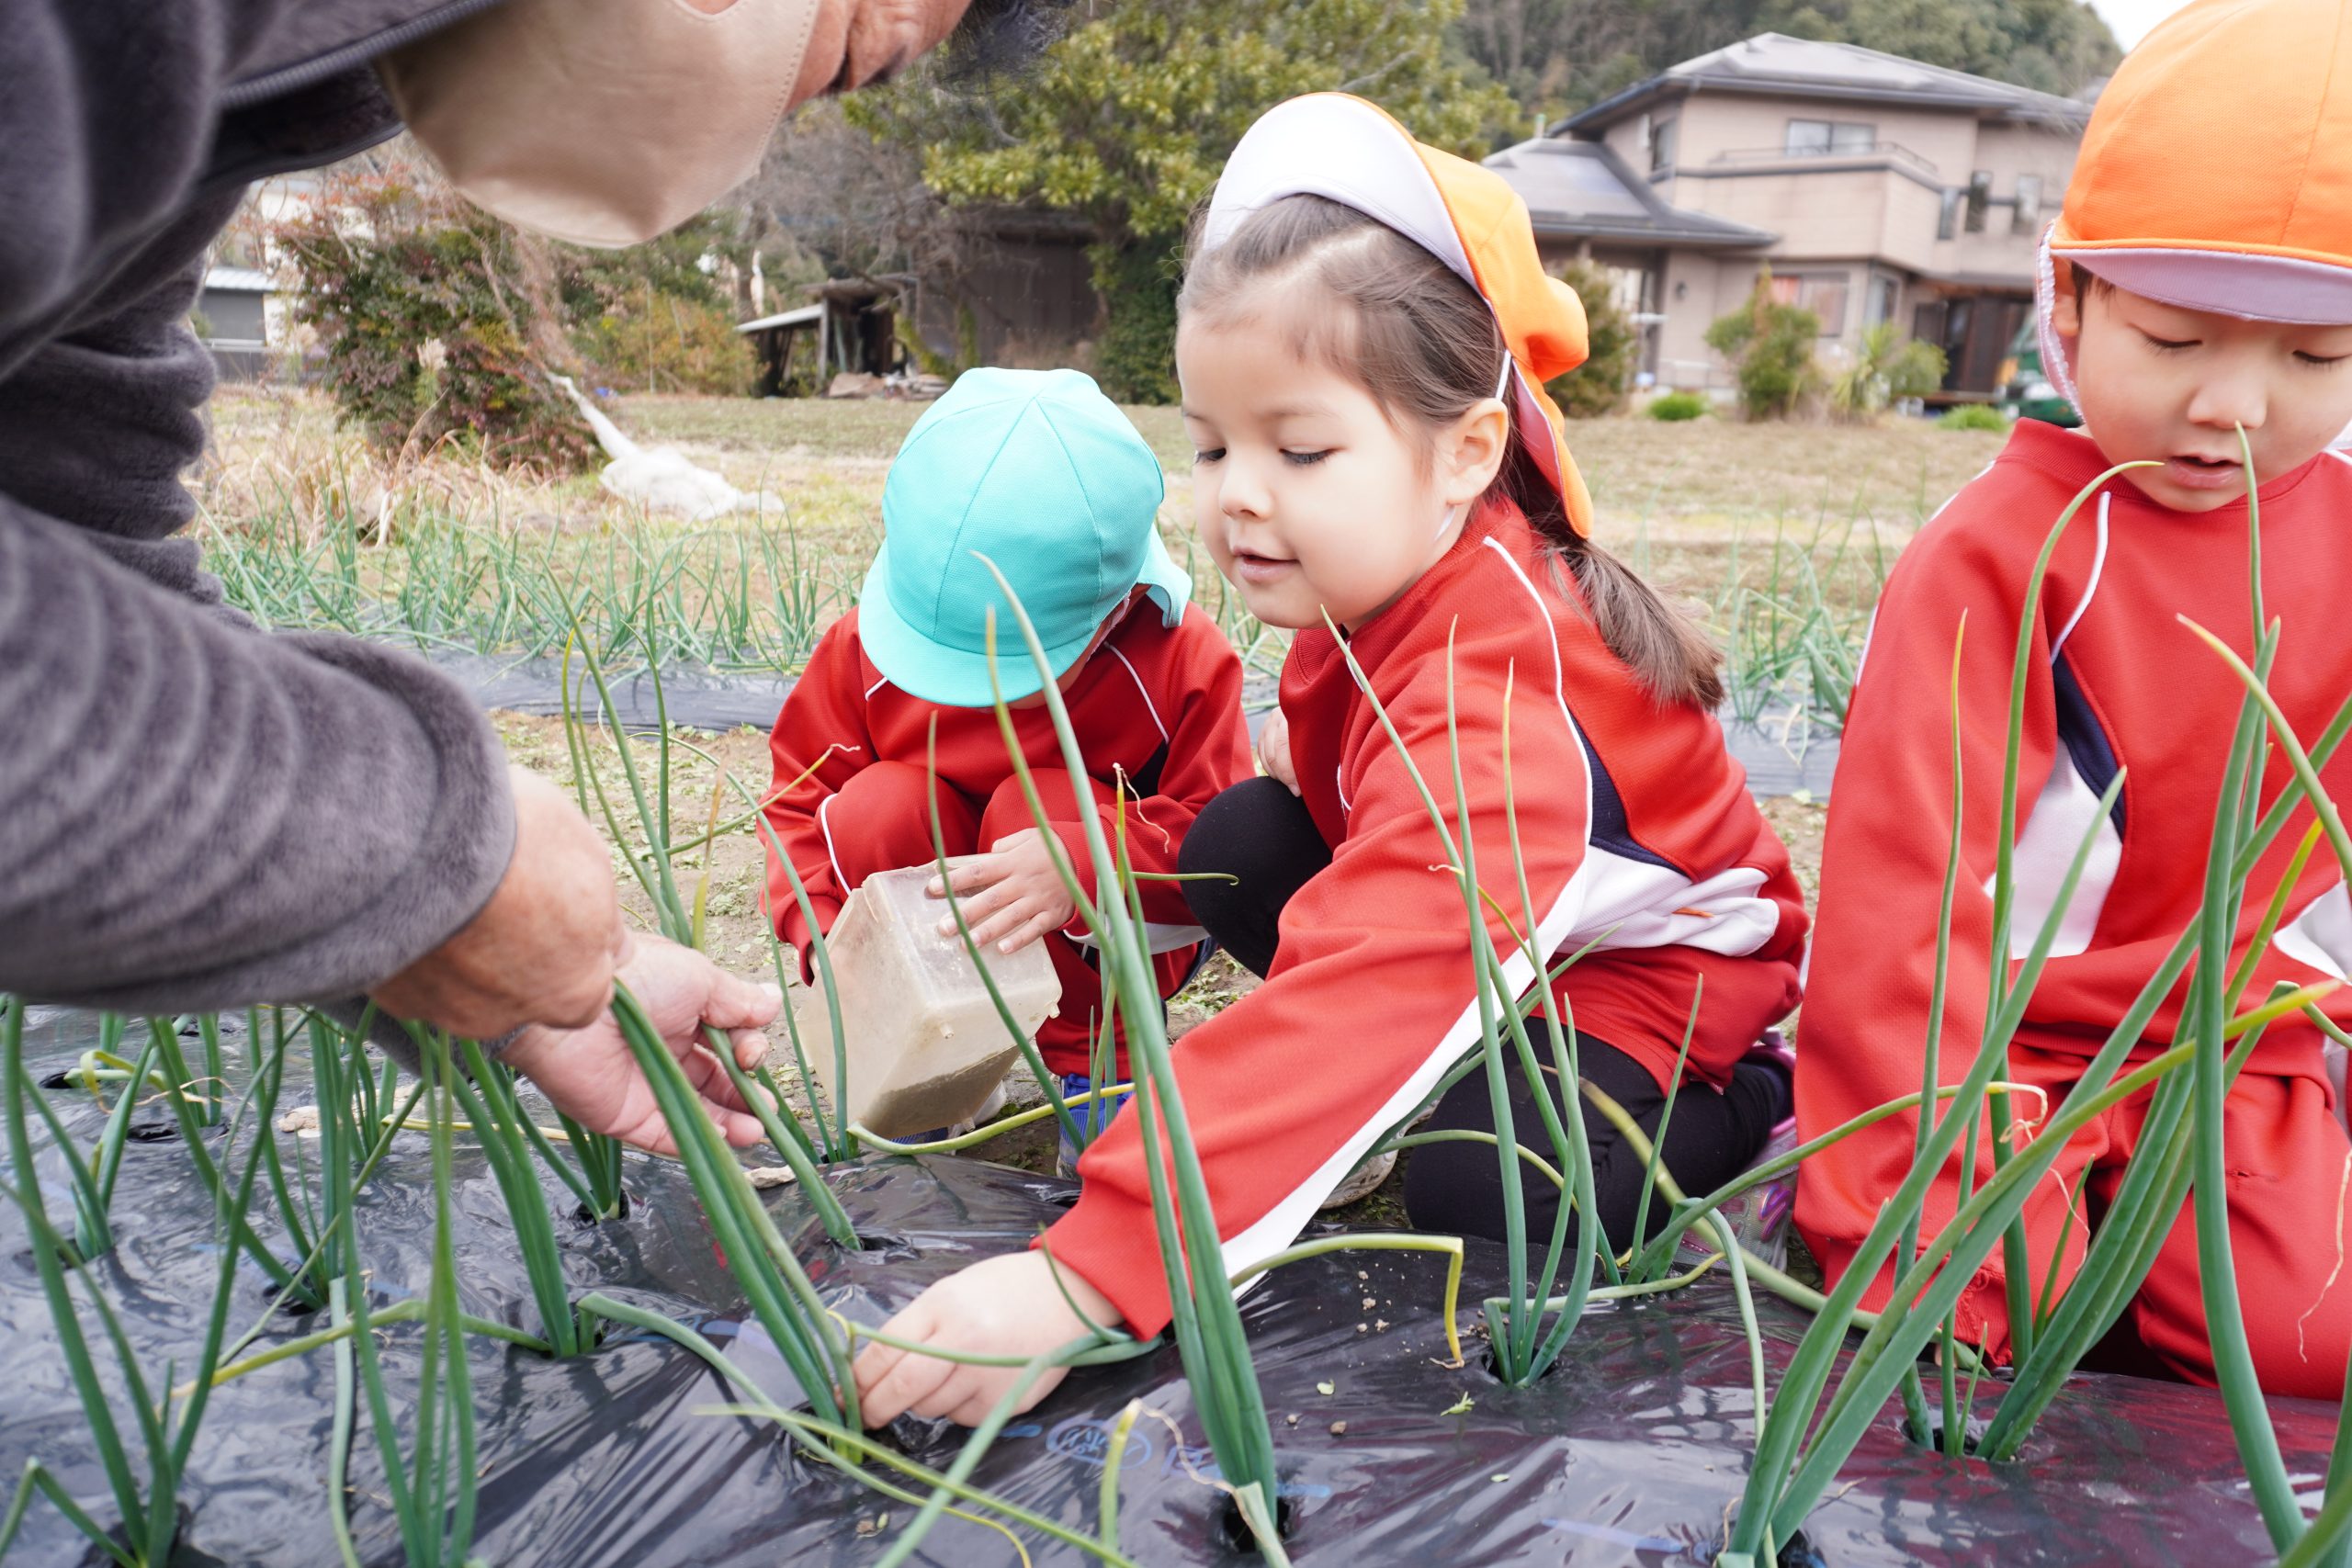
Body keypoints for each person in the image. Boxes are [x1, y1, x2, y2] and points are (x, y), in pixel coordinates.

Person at [852, 94, 1809, 1427]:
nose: (1241, 490)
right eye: (1212, 442)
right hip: (1489, 916)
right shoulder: (1366, 588)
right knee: (1238, 838)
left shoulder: (1496, 680)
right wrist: (1092, 866)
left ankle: (1754, 1106)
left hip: (1657, 977)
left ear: (1468, 451)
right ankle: (1436, 1090)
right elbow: (1352, 856)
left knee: (1488, 1178)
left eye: (1298, 448)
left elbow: (1387, 964)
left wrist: (1093, 1269)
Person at [0, 0, 1040, 1139]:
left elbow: (81, 533)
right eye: (845, 59)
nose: (782, 112)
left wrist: (518, 990)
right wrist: (418, 857)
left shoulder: (227, 90)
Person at [1794, 0, 2352, 1396]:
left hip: (2238, 1046)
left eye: (2315, 358)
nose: (2236, 403)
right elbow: (1906, 911)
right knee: (1982, 1300)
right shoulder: (2006, 556)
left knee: (2303, 1336)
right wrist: (1917, 1214)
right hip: (2009, 1038)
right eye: (2172, 339)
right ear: (2073, 299)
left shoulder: (2340, 533)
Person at [759, 367, 1250, 1140]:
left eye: (1006, 672)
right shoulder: (864, 645)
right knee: (878, 806)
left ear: (1111, 610)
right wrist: (820, 929)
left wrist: (1081, 864)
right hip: (940, 924)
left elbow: (1219, 855)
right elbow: (799, 802)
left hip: (1119, 931)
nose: (967, 696)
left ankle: (1101, 1068)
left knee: (1040, 811)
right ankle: (940, 1067)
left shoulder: (1179, 660)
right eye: (938, 658)